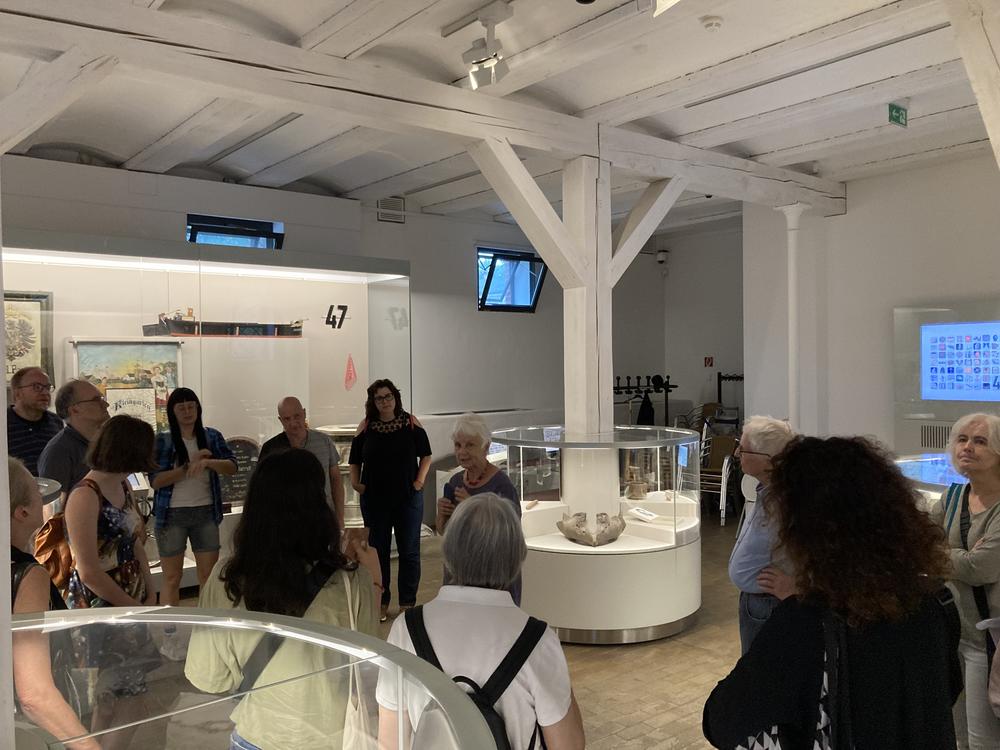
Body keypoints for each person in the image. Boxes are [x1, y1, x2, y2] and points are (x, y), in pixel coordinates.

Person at [704, 436, 961, 750]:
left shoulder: (805, 623)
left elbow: (719, 721)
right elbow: (947, 691)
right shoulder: (935, 602)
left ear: (805, 531)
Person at [185, 448, 381, 750]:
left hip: (257, 735)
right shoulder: (349, 580)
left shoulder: (226, 578)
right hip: (331, 738)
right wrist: (374, 581)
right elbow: (368, 669)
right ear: (320, 506)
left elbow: (210, 677)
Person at [376, 494, 585, 750]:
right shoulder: (537, 640)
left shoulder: (406, 629)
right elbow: (569, 745)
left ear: (449, 551)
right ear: (516, 557)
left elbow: (390, 742)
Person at [64, 415, 159, 750]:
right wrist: (133, 608)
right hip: (101, 603)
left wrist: (150, 591)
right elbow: (88, 570)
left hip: (130, 593)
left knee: (113, 700)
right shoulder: (84, 495)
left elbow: (135, 543)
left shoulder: (123, 485)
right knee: (122, 700)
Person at [10, 456, 100, 750]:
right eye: (37, 493)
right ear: (22, 511)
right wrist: (89, 746)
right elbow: (34, 694)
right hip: (20, 728)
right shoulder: (27, 575)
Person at [935, 413, 1000, 749]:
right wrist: (961, 556)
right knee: (957, 736)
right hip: (953, 632)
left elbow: (981, 568)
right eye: (962, 439)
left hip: (989, 640)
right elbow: (919, 545)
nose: (967, 447)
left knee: (982, 741)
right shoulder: (953, 497)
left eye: (980, 441)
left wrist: (943, 555)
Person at [349, 378, 431, 623]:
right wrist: (356, 484)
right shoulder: (366, 426)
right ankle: (381, 601)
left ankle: (407, 603)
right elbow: (355, 460)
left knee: (409, 551)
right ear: (373, 402)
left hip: (408, 498)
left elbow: (426, 455)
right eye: (379, 398)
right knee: (378, 552)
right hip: (375, 500)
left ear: (395, 397)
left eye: (388, 396)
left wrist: (419, 482)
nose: (384, 402)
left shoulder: (410, 423)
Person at [150, 388, 237, 613]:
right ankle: (171, 627)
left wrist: (208, 462)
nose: (187, 412)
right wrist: (188, 467)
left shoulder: (211, 436)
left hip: (206, 512)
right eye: (181, 408)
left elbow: (232, 466)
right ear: (172, 412)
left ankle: (204, 624)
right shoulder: (163, 440)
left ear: (198, 408)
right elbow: (156, 481)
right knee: (172, 577)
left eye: (191, 406)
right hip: (171, 515)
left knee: (208, 576)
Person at [436, 412, 522, 603]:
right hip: (458, 577)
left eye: (469, 445)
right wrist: (441, 516)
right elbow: (445, 532)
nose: (462, 452)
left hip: (493, 579)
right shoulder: (455, 481)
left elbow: (509, 539)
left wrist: (473, 506)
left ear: (486, 447)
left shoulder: (502, 486)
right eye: (458, 445)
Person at [727, 415, 795, 654]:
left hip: (770, 604)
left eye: (744, 449)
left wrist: (796, 586)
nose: (737, 453)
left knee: (763, 667)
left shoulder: (788, 501)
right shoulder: (767, 491)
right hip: (758, 602)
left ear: (769, 460)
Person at [259, 395, 345, 527]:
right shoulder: (271, 449)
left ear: (304, 413)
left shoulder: (324, 441)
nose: (293, 423)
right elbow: (263, 490)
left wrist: (340, 519)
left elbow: (336, 480)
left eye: (297, 416)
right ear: (280, 420)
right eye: (287, 419)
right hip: (285, 523)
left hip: (322, 518)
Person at [39, 379, 110, 510]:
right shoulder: (59, 451)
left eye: (102, 399)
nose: (106, 404)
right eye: (97, 400)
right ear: (75, 410)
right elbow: (53, 511)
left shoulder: (104, 443)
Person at [7, 366, 62, 475]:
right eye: (37, 387)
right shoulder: (4, 424)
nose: (45, 393)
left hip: (53, 485)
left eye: (47, 387)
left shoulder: (56, 421)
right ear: (18, 393)